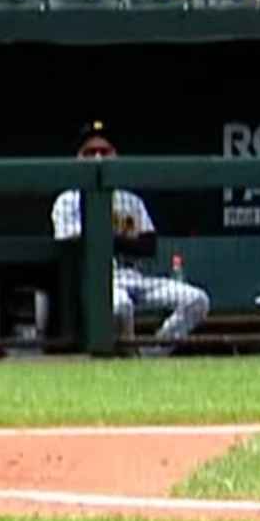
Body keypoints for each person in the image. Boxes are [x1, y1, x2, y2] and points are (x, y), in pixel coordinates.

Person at [52, 122, 207, 356]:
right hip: (97, 280)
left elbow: (148, 245)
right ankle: (128, 357)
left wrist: (103, 238)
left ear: (116, 156)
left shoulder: (130, 200)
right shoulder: (67, 200)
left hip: (136, 278)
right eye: (90, 152)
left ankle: (150, 355)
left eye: (104, 152)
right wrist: (122, 240)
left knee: (197, 300)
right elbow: (71, 245)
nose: (97, 157)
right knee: (120, 306)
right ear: (78, 158)